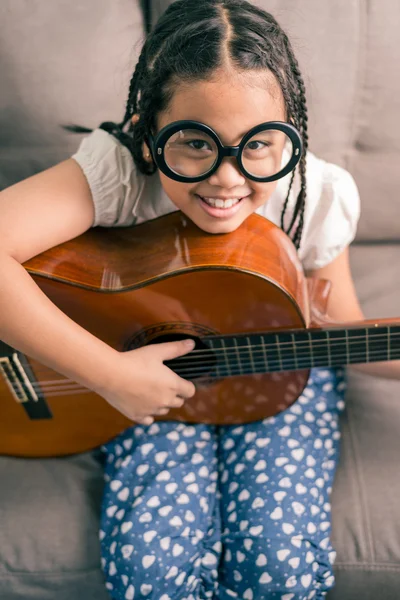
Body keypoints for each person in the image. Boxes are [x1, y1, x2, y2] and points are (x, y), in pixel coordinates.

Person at [1, 0, 400, 598]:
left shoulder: (315, 195)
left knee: (281, 563)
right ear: (146, 129)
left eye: (259, 145)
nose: (227, 179)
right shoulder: (120, 168)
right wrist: (108, 373)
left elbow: (339, 329)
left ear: (291, 128)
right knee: (149, 566)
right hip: (134, 374)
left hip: (283, 370)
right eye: (194, 144)